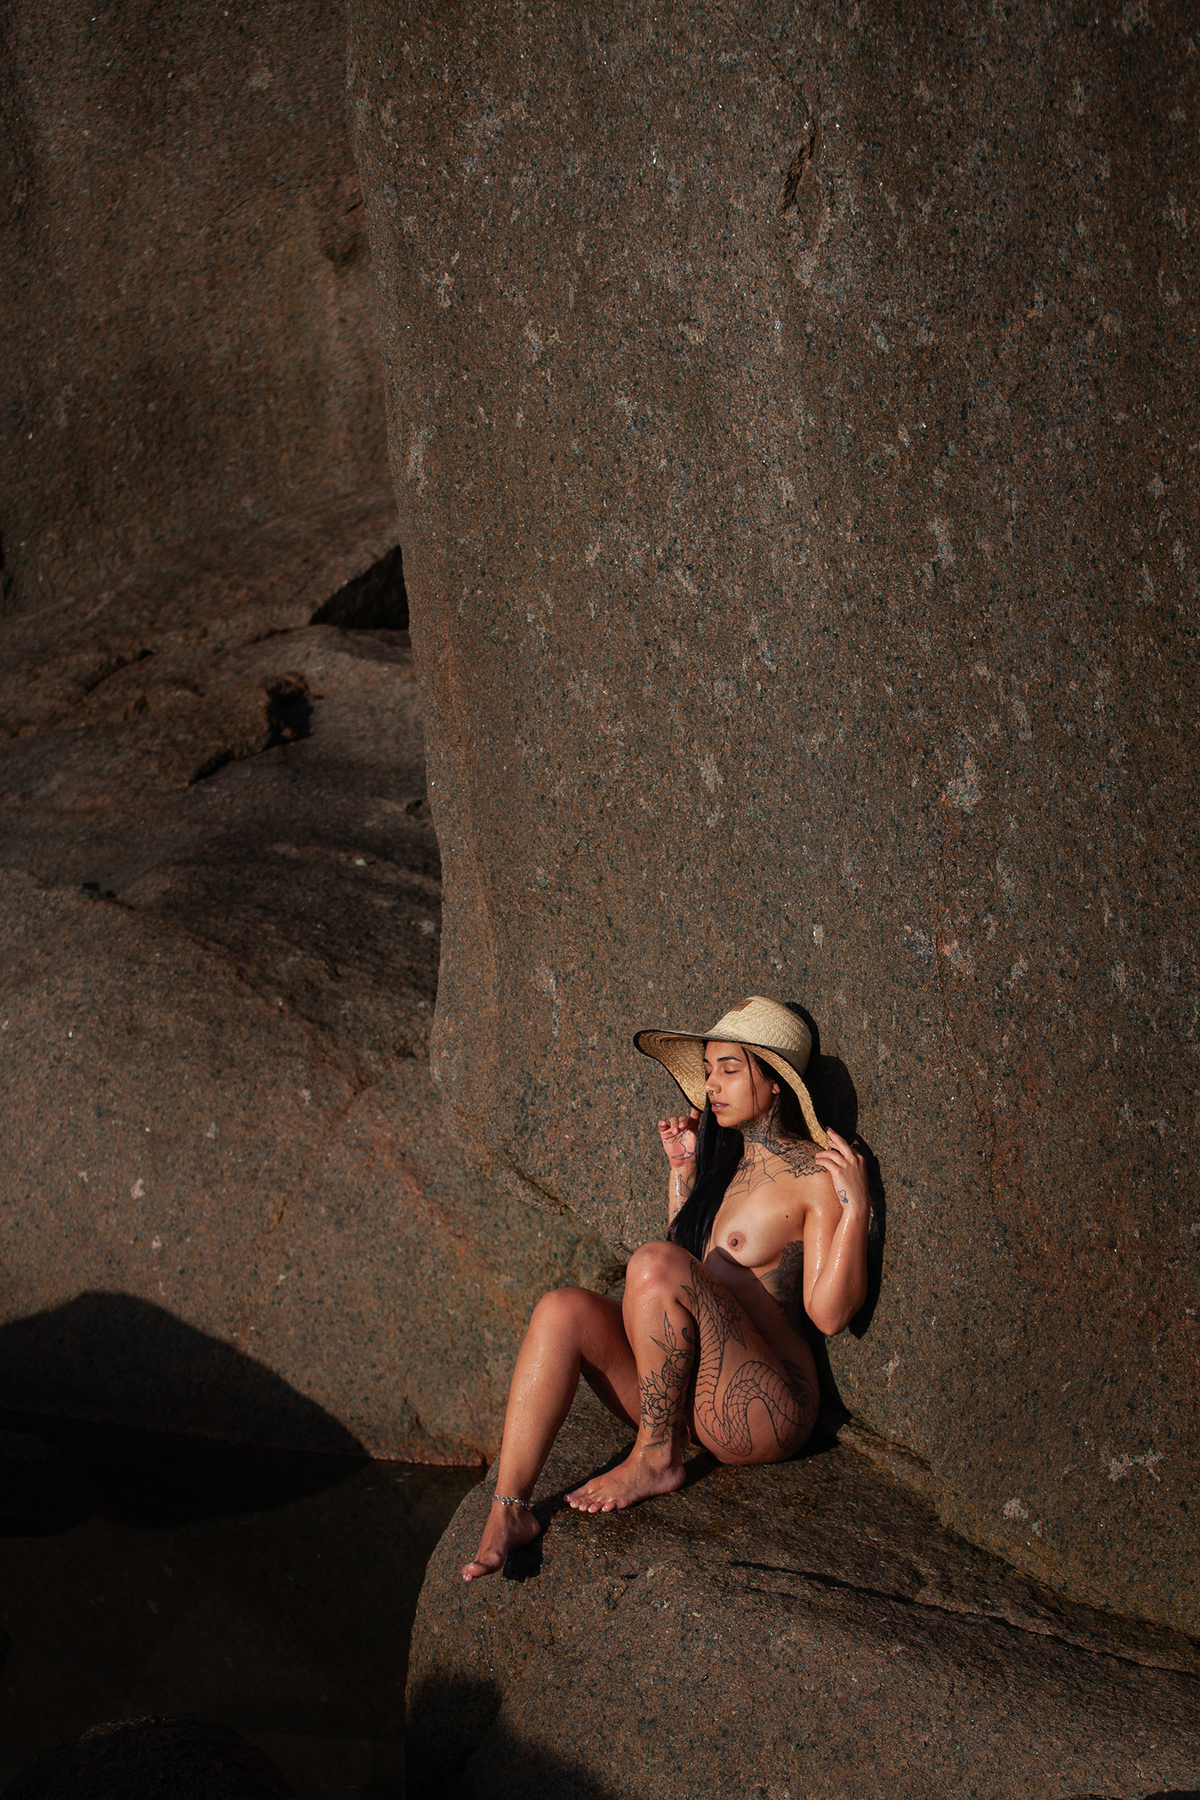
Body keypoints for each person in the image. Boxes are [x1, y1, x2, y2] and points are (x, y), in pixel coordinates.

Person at [461, 995, 871, 1582]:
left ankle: (655, 1456)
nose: (712, 1085)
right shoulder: (720, 1168)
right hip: (695, 1401)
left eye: (729, 1069)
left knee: (651, 1261)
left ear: (777, 1081)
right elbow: (674, 1290)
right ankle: (509, 1509)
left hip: (768, 1409)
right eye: (708, 1072)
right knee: (561, 1309)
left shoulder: (815, 1174)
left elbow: (830, 1315)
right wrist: (683, 1181)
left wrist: (854, 1206)